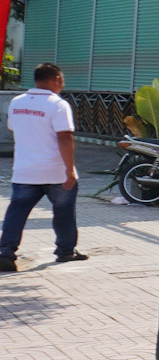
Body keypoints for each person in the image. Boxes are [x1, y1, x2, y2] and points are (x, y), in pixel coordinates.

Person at [1, 64, 86, 271]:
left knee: (16, 211)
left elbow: (14, 128)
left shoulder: (16, 102)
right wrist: (69, 169)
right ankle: (65, 251)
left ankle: (5, 252)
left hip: (25, 171)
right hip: (55, 171)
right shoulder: (58, 105)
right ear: (56, 79)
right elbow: (65, 137)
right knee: (64, 212)